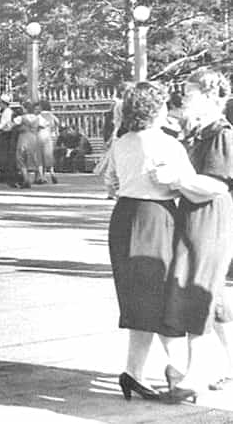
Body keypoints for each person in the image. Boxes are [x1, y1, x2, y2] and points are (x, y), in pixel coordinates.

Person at [101, 81, 210, 402]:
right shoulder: (166, 144)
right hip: (156, 218)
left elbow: (110, 182)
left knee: (138, 298)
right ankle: (177, 371)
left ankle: (134, 372)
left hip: (124, 217)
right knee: (164, 295)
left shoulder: (121, 142)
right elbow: (186, 184)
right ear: (157, 109)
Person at [154, 68, 233, 403]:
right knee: (210, 293)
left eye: (189, 93)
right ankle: (225, 364)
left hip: (209, 216)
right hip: (194, 213)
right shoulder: (200, 131)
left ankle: (195, 373)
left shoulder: (220, 133)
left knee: (195, 289)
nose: (183, 99)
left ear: (209, 95)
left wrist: (175, 179)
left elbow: (216, 185)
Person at [12, 101, 45, 188]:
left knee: (21, 158)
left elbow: (12, 124)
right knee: (32, 157)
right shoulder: (38, 118)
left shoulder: (21, 118)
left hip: (23, 138)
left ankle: (26, 179)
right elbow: (44, 125)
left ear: (26, 109)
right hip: (33, 138)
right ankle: (32, 178)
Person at [36, 100, 60, 184]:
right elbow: (57, 122)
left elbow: (36, 125)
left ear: (41, 107)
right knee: (48, 156)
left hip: (40, 136)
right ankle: (52, 172)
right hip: (48, 136)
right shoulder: (51, 116)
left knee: (40, 157)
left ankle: (42, 177)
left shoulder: (39, 116)